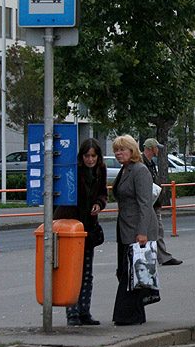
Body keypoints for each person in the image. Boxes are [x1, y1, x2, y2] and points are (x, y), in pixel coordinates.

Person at [54, 138, 107, 326]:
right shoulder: (74, 171)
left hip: (89, 227)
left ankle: (85, 311)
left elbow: (103, 194)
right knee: (72, 270)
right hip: (72, 225)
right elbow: (66, 196)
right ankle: (73, 313)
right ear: (81, 156)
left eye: (93, 156)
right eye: (87, 156)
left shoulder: (101, 171)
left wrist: (99, 204)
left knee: (87, 272)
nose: (90, 160)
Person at [111, 135, 159, 326]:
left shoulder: (140, 171)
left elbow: (145, 204)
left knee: (132, 272)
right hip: (124, 227)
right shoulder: (125, 170)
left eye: (122, 149)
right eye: (116, 150)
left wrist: (142, 232)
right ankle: (134, 313)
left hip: (137, 229)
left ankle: (127, 315)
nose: (118, 153)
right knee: (126, 272)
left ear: (132, 151)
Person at [142, 138, 182, 266]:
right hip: (149, 203)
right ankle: (160, 256)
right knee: (156, 229)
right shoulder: (143, 163)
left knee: (156, 229)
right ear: (151, 148)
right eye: (156, 147)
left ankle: (159, 256)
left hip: (153, 202)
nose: (158, 150)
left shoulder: (149, 163)